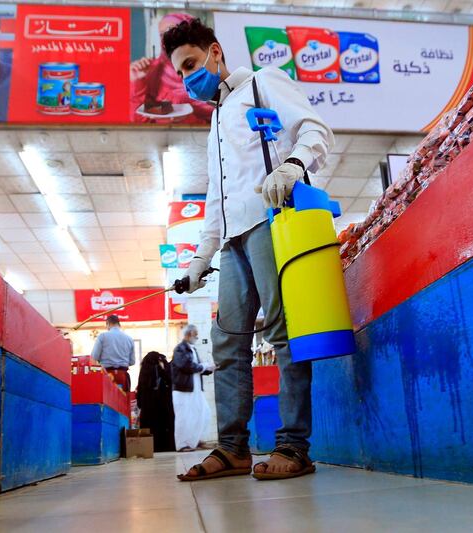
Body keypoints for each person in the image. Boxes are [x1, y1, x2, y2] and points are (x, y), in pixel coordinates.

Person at [164, 19, 334, 481]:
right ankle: (233, 448)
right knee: (228, 341)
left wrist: (294, 165)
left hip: (272, 223)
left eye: (192, 64)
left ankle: (294, 445)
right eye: (180, 73)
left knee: (282, 333)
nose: (188, 78)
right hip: (233, 241)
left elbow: (315, 128)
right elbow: (216, 202)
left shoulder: (263, 83)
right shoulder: (216, 120)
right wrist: (200, 260)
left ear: (216, 52)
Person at [129, 13, 213, 124]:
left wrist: (187, 117)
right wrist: (138, 83)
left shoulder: (208, 71)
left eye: (172, 32)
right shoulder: (150, 70)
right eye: (161, 35)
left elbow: (220, 122)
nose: (165, 40)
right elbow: (138, 122)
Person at [171, 325, 215, 452]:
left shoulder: (192, 349)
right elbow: (185, 365)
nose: (197, 337)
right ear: (188, 334)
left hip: (195, 390)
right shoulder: (180, 349)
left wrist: (209, 368)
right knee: (184, 417)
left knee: (203, 413)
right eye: (195, 334)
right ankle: (182, 445)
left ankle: (198, 440)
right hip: (183, 389)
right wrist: (203, 367)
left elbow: (196, 367)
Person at [136, 351, 175, 452]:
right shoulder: (161, 369)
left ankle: (149, 447)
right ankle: (165, 446)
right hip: (162, 404)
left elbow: (140, 390)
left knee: (150, 426)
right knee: (163, 425)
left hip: (147, 407)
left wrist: (140, 403)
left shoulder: (144, 372)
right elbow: (170, 379)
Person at [91, 315, 135, 392]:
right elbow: (132, 362)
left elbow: (94, 357)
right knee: (122, 401)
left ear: (107, 323)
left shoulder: (102, 336)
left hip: (107, 376)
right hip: (123, 376)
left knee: (107, 401)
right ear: (119, 324)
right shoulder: (129, 339)